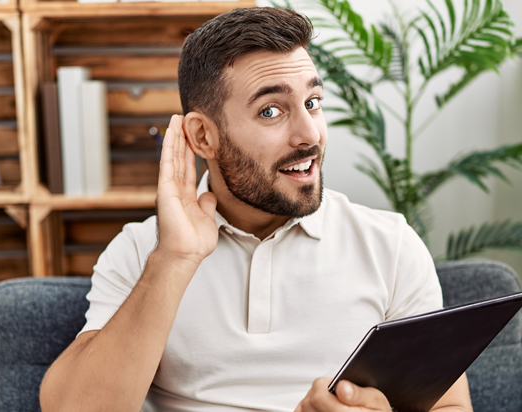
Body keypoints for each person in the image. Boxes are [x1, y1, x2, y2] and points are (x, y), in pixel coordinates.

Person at [39, 7, 473, 412]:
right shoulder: (141, 251)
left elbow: (451, 405)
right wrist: (174, 260)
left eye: (313, 103)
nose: (309, 134)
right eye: (271, 110)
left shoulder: (390, 245)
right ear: (203, 137)